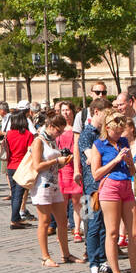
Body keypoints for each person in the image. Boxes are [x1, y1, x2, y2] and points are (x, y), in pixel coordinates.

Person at [89, 109, 136, 273]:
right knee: (112, 232)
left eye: (121, 132)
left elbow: (133, 171)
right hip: (110, 187)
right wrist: (115, 161)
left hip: (126, 185)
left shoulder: (124, 141)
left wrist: (128, 161)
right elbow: (96, 174)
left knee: (135, 232)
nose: (119, 135)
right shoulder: (99, 144)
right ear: (107, 128)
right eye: (115, 131)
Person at [28, 112, 78, 266]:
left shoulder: (52, 141)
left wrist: (62, 162)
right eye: (58, 130)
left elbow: (53, 162)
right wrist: (56, 160)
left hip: (55, 184)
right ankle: (45, 256)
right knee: (44, 221)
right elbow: (37, 165)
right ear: (50, 126)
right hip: (42, 185)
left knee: (62, 221)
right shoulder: (39, 141)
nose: (60, 134)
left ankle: (66, 254)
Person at [79, 97, 111, 273]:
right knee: (92, 224)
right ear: (97, 112)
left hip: (103, 185)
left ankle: (102, 258)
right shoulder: (87, 133)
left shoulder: (102, 133)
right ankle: (93, 262)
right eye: (106, 112)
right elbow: (91, 159)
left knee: (104, 225)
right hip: (90, 186)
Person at [57, 101, 84, 241]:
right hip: (61, 169)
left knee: (77, 202)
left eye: (68, 110)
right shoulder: (58, 129)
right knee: (61, 204)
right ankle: (61, 230)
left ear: (73, 112)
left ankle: (77, 230)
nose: (66, 113)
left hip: (75, 167)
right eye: (63, 110)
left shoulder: (77, 129)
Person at [4, 109, 34, 229]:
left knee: (14, 193)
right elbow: (30, 151)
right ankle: (14, 220)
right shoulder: (28, 135)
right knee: (18, 195)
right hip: (22, 167)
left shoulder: (9, 134)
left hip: (11, 166)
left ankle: (16, 217)